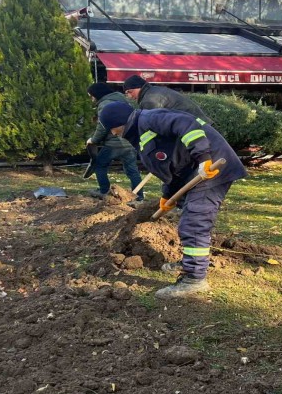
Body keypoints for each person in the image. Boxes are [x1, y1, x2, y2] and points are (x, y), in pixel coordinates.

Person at [99, 101, 247, 299]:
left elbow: (186, 124)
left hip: (212, 168)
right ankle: (190, 262)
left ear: (118, 123)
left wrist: (204, 158)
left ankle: (194, 279)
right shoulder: (140, 136)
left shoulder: (148, 119)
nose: (113, 134)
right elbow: (169, 167)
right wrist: (167, 195)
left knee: (195, 222)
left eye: (112, 129)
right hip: (193, 171)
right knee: (189, 217)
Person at [86, 82, 144, 202]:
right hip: (129, 142)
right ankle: (139, 197)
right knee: (132, 170)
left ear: (97, 94)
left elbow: (102, 126)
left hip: (114, 143)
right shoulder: (122, 99)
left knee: (99, 165)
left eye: (91, 96)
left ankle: (104, 191)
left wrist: (94, 140)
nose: (91, 99)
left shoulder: (105, 104)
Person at [122, 75, 213, 125]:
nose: (130, 96)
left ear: (139, 87)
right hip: (201, 126)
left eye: (130, 92)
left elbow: (155, 126)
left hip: (198, 130)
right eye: (127, 94)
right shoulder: (153, 92)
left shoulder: (150, 100)